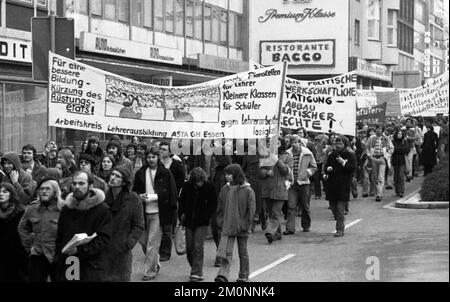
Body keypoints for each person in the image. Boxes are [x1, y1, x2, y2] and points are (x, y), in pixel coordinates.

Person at [54, 171, 112, 282]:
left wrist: (80, 250)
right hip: (70, 264)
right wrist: (58, 260)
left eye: (81, 183)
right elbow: (60, 237)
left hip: (92, 266)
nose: (77, 187)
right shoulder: (67, 209)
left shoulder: (101, 210)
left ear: (90, 186)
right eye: (74, 183)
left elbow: (104, 238)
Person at [133, 146, 178, 281]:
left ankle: (150, 271)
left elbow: (171, 193)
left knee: (152, 242)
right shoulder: (141, 172)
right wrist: (139, 196)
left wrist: (156, 197)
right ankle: (155, 262)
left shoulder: (165, 173)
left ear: (158, 157)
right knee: (143, 241)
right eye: (149, 157)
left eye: (153, 157)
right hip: (143, 211)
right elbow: (135, 190)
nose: (151, 159)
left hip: (159, 212)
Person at [214, 164, 255, 283]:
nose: (226, 177)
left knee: (243, 252)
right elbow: (220, 207)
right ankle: (223, 275)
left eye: (229, 174)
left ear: (236, 175)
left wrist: (246, 224)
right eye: (226, 174)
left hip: (242, 226)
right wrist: (220, 221)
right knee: (227, 252)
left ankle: (244, 274)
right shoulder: (224, 189)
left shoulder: (248, 190)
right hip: (228, 225)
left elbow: (251, 210)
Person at [102, 167, 144, 281]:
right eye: (112, 175)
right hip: (103, 250)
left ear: (124, 182)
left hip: (122, 251)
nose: (112, 178)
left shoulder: (133, 199)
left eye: (117, 176)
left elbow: (138, 225)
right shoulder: (103, 198)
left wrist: (128, 244)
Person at [18, 177, 63, 281]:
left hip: (58, 255)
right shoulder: (32, 208)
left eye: (48, 189)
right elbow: (22, 227)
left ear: (55, 191)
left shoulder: (64, 209)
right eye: (41, 189)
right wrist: (29, 244)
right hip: (37, 253)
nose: (44, 191)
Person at [178, 167, 218, 282]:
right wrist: (181, 214)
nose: (199, 184)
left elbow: (213, 203)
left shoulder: (209, 186)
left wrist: (207, 216)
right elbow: (181, 200)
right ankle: (196, 268)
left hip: (202, 221)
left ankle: (196, 272)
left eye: (200, 181)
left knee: (198, 246)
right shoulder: (187, 186)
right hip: (189, 221)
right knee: (189, 247)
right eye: (196, 182)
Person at [259, 138, 293, 243]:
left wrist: (277, 161)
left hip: (280, 189)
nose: (272, 145)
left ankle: (270, 232)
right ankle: (277, 233)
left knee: (275, 212)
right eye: (269, 144)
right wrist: (265, 172)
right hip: (267, 189)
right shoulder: (264, 156)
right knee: (270, 213)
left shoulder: (287, 156)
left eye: (276, 143)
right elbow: (259, 172)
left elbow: (286, 171)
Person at [323, 136, 356, 237]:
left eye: (340, 144)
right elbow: (326, 166)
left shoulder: (350, 155)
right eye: (337, 143)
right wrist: (327, 169)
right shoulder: (332, 155)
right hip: (332, 185)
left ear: (345, 145)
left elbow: (352, 168)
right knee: (334, 208)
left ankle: (340, 229)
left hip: (343, 185)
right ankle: (339, 222)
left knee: (340, 209)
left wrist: (343, 162)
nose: (338, 146)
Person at [158, 141, 186, 261]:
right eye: (160, 149)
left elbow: (181, 181)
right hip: (157, 198)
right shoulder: (156, 164)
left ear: (170, 152)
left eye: (164, 149)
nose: (161, 151)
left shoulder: (177, 165)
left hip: (170, 199)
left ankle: (165, 252)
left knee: (167, 227)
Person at [284, 135, 317, 234]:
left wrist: (307, 173)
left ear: (300, 142)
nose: (294, 144)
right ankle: (290, 229)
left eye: (296, 142)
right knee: (291, 206)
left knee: (305, 206)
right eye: (292, 142)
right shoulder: (287, 153)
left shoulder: (307, 153)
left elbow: (314, 166)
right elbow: (283, 166)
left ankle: (306, 225)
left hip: (304, 183)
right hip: (291, 184)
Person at [0, 182, 28, 282]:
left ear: (11, 193)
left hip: (18, 253)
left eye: (4, 191)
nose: (1, 194)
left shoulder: (20, 211)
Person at [365, 125, 390, 202]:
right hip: (374, 159)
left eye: (379, 129)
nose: (378, 130)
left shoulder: (386, 138)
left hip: (382, 159)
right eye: (377, 129)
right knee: (375, 177)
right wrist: (369, 155)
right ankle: (379, 192)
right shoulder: (372, 138)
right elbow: (367, 146)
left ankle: (379, 194)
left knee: (381, 177)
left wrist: (387, 155)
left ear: (382, 130)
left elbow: (391, 148)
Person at [391, 130, 409, 197]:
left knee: (401, 176)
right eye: (398, 133)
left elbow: (406, 149)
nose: (400, 135)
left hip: (402, 161)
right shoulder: (393, 142)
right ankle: (397, 190)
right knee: (396, 176)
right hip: (395, 161)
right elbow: (392, 150)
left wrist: (397, 149)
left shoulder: (404, 141)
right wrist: (400, 149)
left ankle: (401, 191)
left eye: (401, 133)